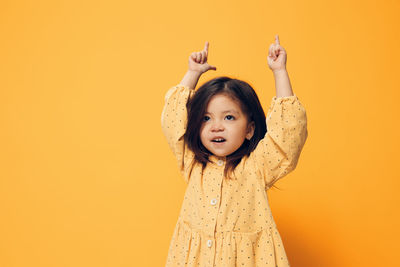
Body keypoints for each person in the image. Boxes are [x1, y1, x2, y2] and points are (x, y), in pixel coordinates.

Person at [161, 35, 308, 267]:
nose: (216, 126)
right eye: (206, 118)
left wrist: (279, 71)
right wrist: (192, 73)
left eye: (229, 117)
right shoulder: (192, 163)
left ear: (250, 129)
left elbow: (288, 135)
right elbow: (172, 120)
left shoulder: (257, 167)